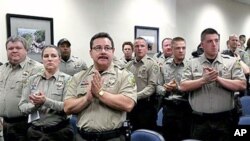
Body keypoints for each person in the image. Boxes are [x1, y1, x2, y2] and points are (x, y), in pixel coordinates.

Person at [64, 32, 137, 141]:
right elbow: (67, 107)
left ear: (113, 52)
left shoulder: (125, 76)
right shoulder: (78, 77)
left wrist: (100, 93)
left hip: (113, 137)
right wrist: (86, 99)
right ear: (91, 53)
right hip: (82, 137)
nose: (103, 51)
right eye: (98, 48)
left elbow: (128, 104)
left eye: (107, 48)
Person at [179, 28, 246, 141]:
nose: (214, 44)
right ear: (202, 44)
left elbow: (242, 85)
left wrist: (218, 79)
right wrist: (203, 80)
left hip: (224, 120)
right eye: (210, 41)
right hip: (199, 120)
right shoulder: (191, 63)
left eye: (216, 40)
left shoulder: (232, 62)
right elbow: (183, 86)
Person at [18, 45, 74, 141]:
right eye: (46, 56)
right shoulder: (32, 80)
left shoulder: (68, 80)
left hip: (59, 132)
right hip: (35, 133)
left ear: (59, 59)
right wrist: (35, 105)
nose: (50, 59)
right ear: (42, 59)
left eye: (53, 56)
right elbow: (22, 107)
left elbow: (67, 107)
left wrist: (45, 101)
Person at [0, 36, 43, 141]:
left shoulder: (37, 69)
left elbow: (38, 99)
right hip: (6, 124)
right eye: (10, 48)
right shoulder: (2, 69)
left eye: (18, 48)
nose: (14, 50)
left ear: (26, 50)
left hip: (26, 124)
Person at [156, 37, 192, 141]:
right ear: (172, 49)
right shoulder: (165, 66)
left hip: (186, 107)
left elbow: (195, 88)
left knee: (185, 137)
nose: (181, 51)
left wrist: (178, 88)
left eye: (183, 48)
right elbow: (157, 86)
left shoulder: (191, 65)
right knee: (168, 137)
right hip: (169, 108)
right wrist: (164, 89)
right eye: (178, 48)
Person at [126, 37, 160, 131]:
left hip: (146, 107)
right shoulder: (128, 65)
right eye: (137, 46)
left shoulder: (152, 64)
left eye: (142, 46)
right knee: (132, 133)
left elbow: (151, 87)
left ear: (147, 48)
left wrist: (135, 96)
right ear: (133, 49)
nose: (139, 48)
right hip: (131, 106)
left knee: (145, 134)